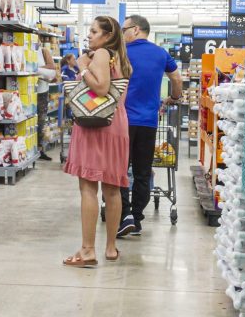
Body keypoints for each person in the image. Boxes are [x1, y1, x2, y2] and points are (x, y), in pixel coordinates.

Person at [62, 17, 132, 267]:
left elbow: (101, 88)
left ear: (107, 35)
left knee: (89, 188)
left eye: (93, 31)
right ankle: (111, 247)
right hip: (117, 124)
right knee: (113, 189)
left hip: (95, 124)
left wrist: (82, 68)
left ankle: (87, 250)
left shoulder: (101, 54)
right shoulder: (121, 58)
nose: (89, 36)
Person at [117, 15, 183, 239]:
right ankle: (136, 218)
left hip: (122, 122)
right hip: (148, 122)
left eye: (124, 29)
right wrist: (174, 97)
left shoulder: (121, 53)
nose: (122, 34)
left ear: (135, 30)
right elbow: (176, 79)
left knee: (119, 172)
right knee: (142, 173)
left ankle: (123, 214)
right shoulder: (161, 53)